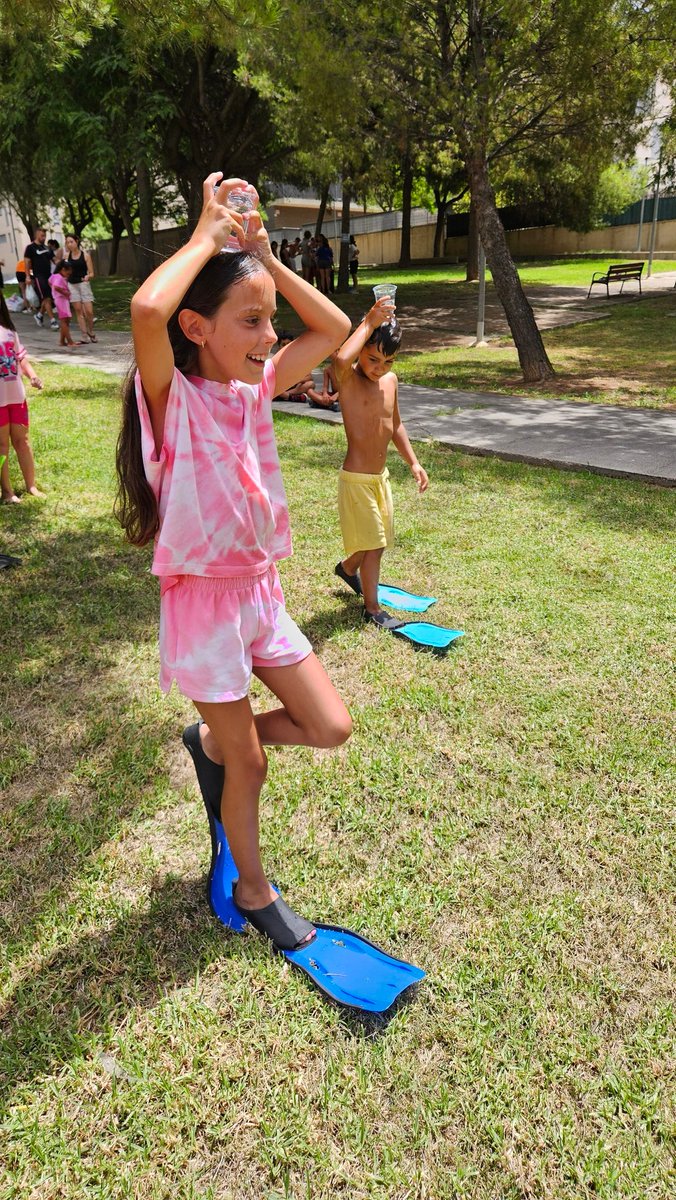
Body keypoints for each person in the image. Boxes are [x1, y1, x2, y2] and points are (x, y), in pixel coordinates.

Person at [115, 172, 352, 950]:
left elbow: (333, 327)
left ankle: (215, 740)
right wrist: (202, 238)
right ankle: (254, 890)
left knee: (329, 726)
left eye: (270, 321)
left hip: (260, 594)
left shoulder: (257, 387)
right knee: (250, 769)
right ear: (196, 327)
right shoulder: (171, 401)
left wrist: (266, 261)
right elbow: (145, 309)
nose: (269, 336)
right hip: (204, 606)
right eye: (251, 321)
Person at [333, 298, 429, 628]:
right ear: (361, 351)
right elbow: (341, 357)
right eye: (373, 358)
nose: (380, 367)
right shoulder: (348, 379)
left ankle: (348, 568)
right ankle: (372, 609)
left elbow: (395, 424)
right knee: (374, 544)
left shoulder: (390, 382)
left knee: (376, 541)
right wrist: (369, 323)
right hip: (357, 479)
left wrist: (413, 463)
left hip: (380, 478)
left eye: (388, 361)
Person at [0, 295, 45, 503]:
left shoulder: (9, 330)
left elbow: (21, 358)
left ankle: (31, 486)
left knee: (23, 441)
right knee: (2, 446)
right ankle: (7, 491)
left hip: (16, 397)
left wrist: (33, 376)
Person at [64, 234, 97, 342]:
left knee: (89, 311)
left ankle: (90, 331)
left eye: (71, 241)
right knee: (78, 311)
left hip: (83, 284)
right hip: (72, 285)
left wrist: (88, 276)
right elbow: (63, 271)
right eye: (67, 242)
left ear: (76, 241)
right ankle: (84, 335)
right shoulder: (66, 256)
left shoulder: (85, 255)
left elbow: (92, 273)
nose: (69, 244)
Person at [24, 228, 58, 329]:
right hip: (39, 276)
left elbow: (55, 260)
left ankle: (39, 316)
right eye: (42, 236)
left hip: (49, 276)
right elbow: (27, 263)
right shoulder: (30, 248)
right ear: (37, 235)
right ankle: (53, 320)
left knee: (49, 297)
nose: (44, 238)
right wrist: (27, 276)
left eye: (45, 236)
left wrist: (64, 263)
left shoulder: (47, 248)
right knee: (46, 298)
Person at [272, 330, 314, 401]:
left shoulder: (300, 357)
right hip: (281, 387)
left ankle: (285, 395)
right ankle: (292, 397)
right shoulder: (276, 359)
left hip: (294, 387)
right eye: (283, 344)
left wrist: (297, 381)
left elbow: (309, 377)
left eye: (289, 344)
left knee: (310, 384)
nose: (286, 346)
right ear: (279, 347)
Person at [50, 260, 79, 349]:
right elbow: (56, 287)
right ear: (63, 269)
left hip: (60, 299)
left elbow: (50, 282)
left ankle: (62, 341)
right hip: (61, 299)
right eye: (68, 272)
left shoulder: (55, 276)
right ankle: (70, 341)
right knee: (64, 321)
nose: (69, 274)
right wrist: (65, 293)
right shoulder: (59, 278)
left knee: (66, 320)